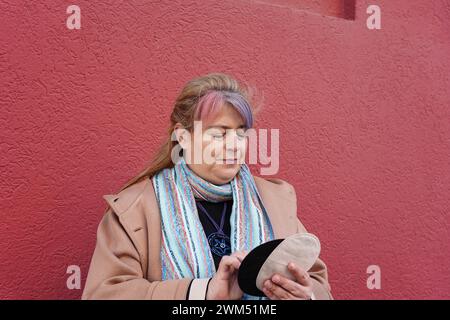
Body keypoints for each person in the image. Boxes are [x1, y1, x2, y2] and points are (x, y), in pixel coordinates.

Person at [81, 73, 332, 300]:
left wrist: (306, 296)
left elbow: (318, 284)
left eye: (241, 133)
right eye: (219, 134)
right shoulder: (134, 209)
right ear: (182, 137)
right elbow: (104, 294)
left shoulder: (275, 202)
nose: (235, 145)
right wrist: (201, 292)